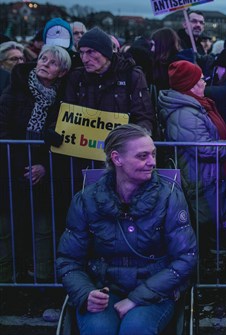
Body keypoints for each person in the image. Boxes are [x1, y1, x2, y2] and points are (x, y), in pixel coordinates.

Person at [56, 124, 197, 335]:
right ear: (117, 158)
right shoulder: (86, 200)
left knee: (135, 328)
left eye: (153, 154)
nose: (152, 162)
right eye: (142, 156)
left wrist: (137, 298)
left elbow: (186, 257)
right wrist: (85, 293)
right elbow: (68, 260)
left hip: (155, 288)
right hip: (104, 287)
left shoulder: (169, 198)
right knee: (99, 330)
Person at [0, 45, 71, 282]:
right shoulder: (15, 89)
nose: (44, 63)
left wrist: (44, 166)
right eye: (43, 58)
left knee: (44, 228)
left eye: (52, 63)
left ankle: (42, 282)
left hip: (44, 174)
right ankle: (7, 282)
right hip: (10, 169)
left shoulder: (64, 98)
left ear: (61, 72)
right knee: (7, 228)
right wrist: (19, 163)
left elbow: (64, 141)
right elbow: (4, 127)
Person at [158, 60, 226, 255]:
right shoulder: (185, 114)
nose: (205, 83)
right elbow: (203, 148)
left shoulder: (196, 106)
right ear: (189, 85)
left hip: (206, 176)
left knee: (211, 225)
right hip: (199, 178)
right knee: (204, 227)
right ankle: (204, 275)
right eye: (201, 79)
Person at [63, 27, 155, 132]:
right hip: (83, 143)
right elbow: (64, 113)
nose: (84, 59)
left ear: (105, 52)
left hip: (121, 144)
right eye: (81, 52)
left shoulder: (132, 76)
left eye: (90, 52)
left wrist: (136, 139)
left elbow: (144, 117)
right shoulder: (76, 77)